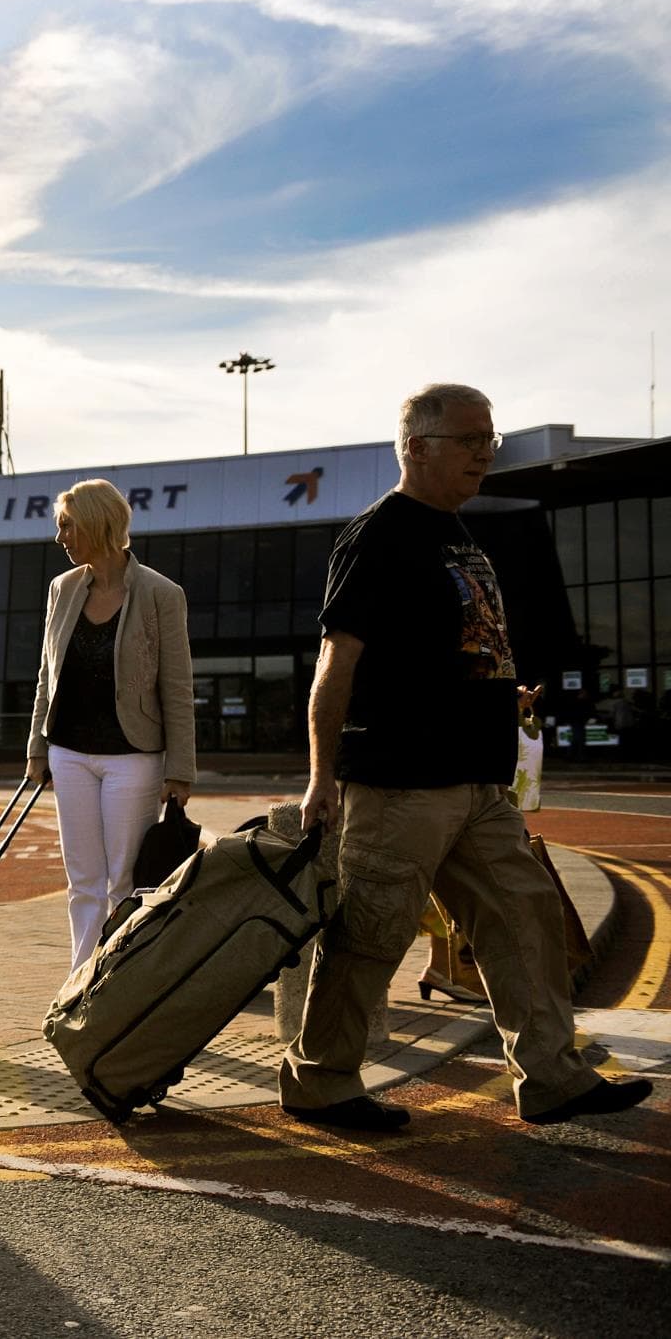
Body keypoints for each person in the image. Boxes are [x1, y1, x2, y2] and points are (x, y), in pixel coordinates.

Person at [290, 383, 652, 1131]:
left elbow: (455, 645)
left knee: (527, 917)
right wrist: (322, 775)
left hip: (478, 782)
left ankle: (550, 1076)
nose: (485, 452)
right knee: (372, 933)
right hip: (399, 782)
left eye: (490, 438)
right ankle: (320, 1081)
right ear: (417, 447)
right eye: (469, 439)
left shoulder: (459, 533)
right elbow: (336, 663)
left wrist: (498, 692)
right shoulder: (377, 535)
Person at [25, 479, 195, 970]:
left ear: (97, 524)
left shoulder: (162, 594)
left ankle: (118, 976)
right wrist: (37, 746)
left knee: (125, 879)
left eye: (67, 526)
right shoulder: (62, 589)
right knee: (82, 878)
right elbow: (47, 675)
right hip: (68, 753)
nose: (60, 537)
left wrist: (180, 769)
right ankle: (81, 977)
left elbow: (177, 687)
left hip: (133, 757)